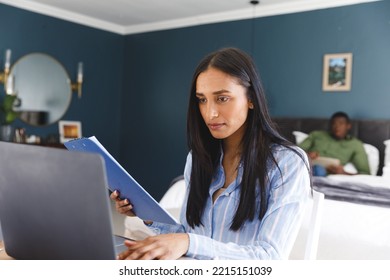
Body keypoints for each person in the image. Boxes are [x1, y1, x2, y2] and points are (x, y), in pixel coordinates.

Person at [111, 47, 311, 260]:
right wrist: (144, 213)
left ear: (251, 98)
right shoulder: (197, 158)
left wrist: (189, 242)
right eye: (202, 100)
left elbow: (270, 257)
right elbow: (188, 238)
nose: (210, 113)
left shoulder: (287, 163)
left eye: (222, 98)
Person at [298, 111, 370, 176]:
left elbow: (365, 174)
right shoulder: (316, 135)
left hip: (327, 174)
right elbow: (294, 152)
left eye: (341, 123)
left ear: (348, 126)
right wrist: (306, 154)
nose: (337, 127)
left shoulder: (355, 144)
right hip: (305, 167)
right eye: (333, 123)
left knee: (318, 170)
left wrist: (344, 173)